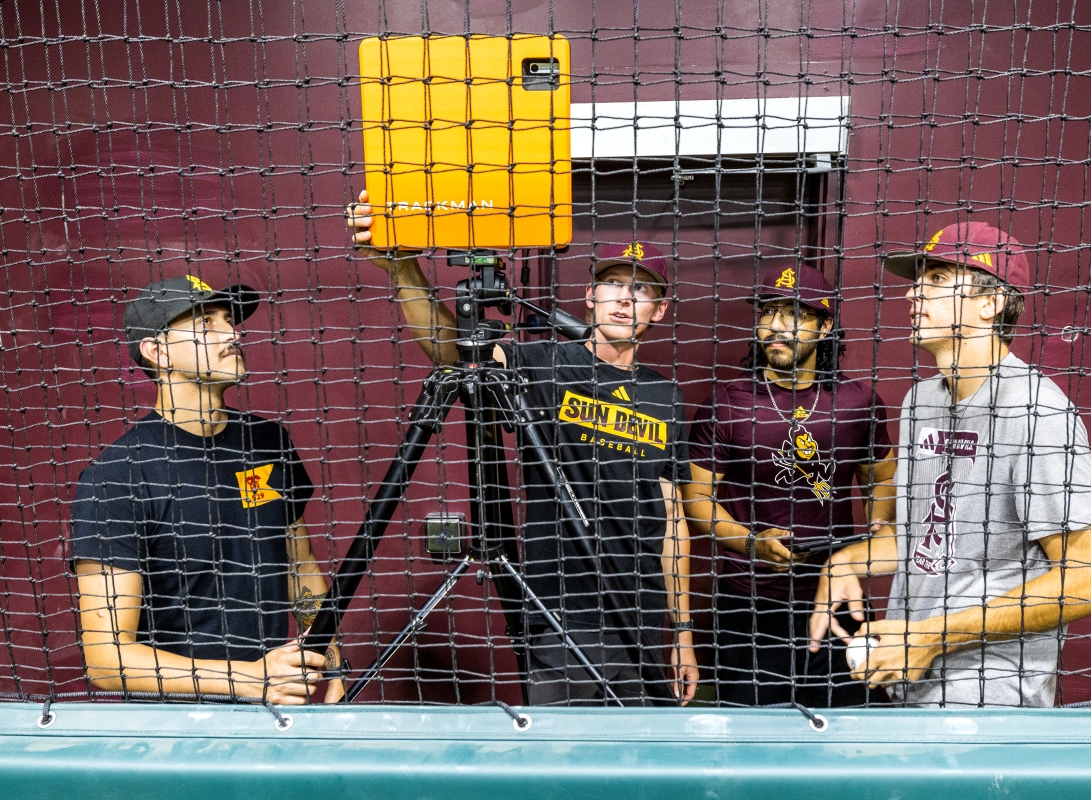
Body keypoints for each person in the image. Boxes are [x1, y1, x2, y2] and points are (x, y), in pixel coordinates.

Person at [347, 191, 698, 706]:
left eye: (642, 291)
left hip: (641, 613)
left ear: (660, 309)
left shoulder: (665, 394)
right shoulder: (543, 362)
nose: (625, 298)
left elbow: (672, 518)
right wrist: (403, 270)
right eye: (613, 284)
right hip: (560, 608)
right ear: (590, 296)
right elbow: (450, 349)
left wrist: (682, 632)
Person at [809, 221, 1091, 707]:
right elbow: (923, 535)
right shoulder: (919, 401)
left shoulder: (1036, 411)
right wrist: (845, 561)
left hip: (991, 696)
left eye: (934, 279)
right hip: (910, 680)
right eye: (917, 280)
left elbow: (1090, 579)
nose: (911, 294)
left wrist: (936, 635)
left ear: (990, 303)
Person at [71, 275, 343, 705]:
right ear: (156, 352)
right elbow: (106, 659)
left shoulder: (268, 441)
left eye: (229, 320)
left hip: (275, 715)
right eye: (205, 323)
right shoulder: (116, 477)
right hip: (174, 738)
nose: (232, 332)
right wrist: (252, 679)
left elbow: (300, 566)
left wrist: (333, 665)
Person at [683, 264, 895, 708]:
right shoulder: (726, 404)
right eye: (768, 312)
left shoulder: (859, 402)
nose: (776, 326)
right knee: (752, 744)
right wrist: (751, 543)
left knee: (850, 736)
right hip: (749, 606)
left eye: (794, 313)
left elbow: (882, 478)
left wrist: (879, 525)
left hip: (837, 600)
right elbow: (697, 500)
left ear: (825, 326)